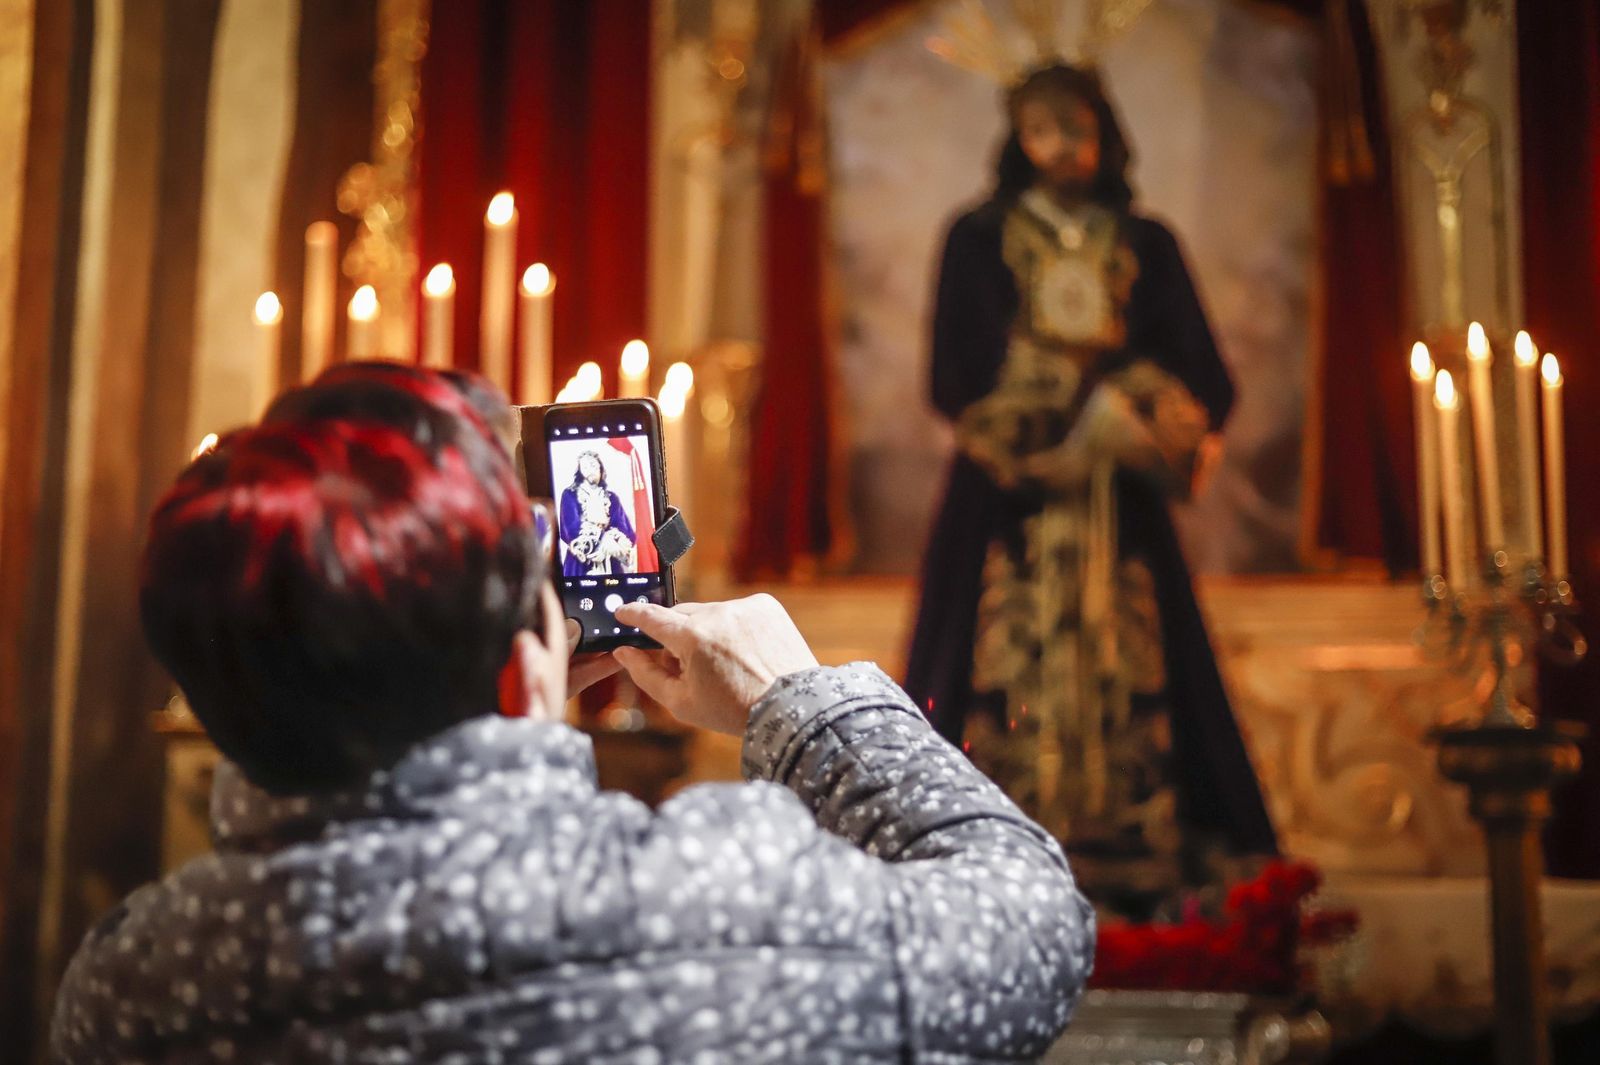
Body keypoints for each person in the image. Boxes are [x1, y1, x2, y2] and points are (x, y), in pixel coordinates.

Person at [51, 363, 1094, 1064]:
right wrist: (802, 704)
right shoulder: (720, 900)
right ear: (520, 680)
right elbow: (1033, 930)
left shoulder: (133, 987)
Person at [904, 64, 1277, 921]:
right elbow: (953, 375)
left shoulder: (1144, 242)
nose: (1060, 146)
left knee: (1145, 664)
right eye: (1040, 129)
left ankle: (1146, 877)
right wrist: (1061, 413)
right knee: (978, 669)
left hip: (1123, 501)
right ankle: (987, 859)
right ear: (1015, 137)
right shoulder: (978, 236)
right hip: (1008, 502)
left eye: (1074, 127)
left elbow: (1206, 377)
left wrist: (1137, 406)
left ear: (1104, 131)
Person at [560, 448, 638, 576]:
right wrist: (600, 539)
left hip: (610, 561)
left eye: (594, 465)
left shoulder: (612, 497)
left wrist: (611, 543)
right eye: (585, 466)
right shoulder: (570, 495)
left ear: (601, 470)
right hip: (580, 562)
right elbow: (569, 529)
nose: (590, 469)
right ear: (580, 471)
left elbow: (627, 531)